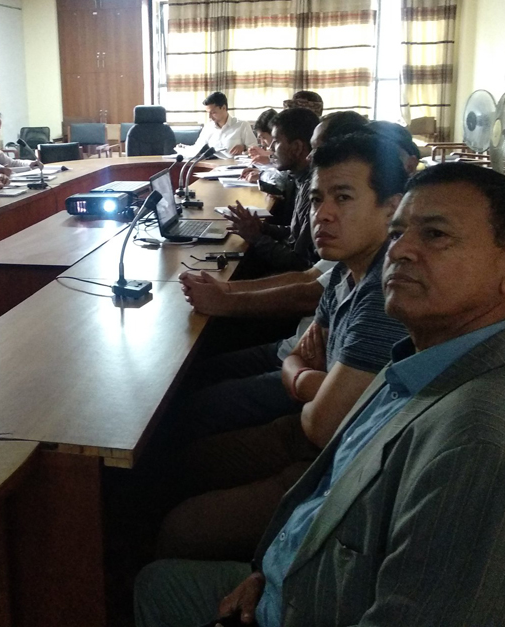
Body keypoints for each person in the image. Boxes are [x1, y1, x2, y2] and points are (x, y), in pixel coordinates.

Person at [135, 162, 505, 627]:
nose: (400, 251)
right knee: (159, 576)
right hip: (296, 579)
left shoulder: (480, 450)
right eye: (397, 233)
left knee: (158, 575)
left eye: (435, 235)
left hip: (310, 608)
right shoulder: (430, 356)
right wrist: (267, 571)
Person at [156, 134, 409, 562]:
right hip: (306, 429)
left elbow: (323, 424)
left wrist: (300, 374)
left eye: (343, 198)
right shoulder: (349, 267)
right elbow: (309, 357)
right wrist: (314, 378)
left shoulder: (384, 290)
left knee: (181, 528)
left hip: (335, 460)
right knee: (184, 464)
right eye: (317, 199)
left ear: (392, 207)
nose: (322, 214)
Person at [224, 108, 319, 273]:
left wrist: (256, 237)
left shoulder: (314, 189)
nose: (271, 147)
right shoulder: (300, 179)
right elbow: (294, 232)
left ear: (297, 147)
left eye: (276, 141)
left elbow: (300, 264)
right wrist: (262, 228)